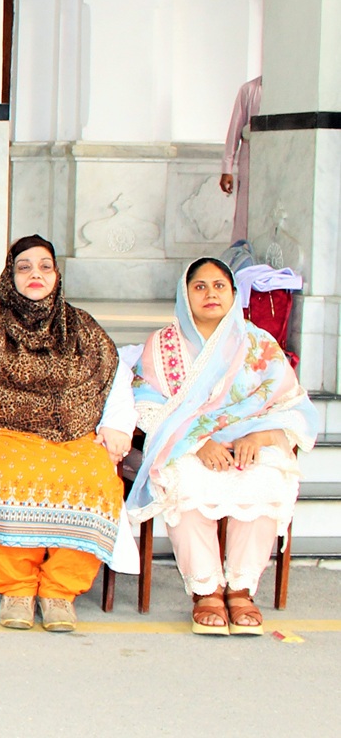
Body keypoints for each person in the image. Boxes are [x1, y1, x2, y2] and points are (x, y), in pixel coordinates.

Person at [0, 235, 137, 632]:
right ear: (10, 275)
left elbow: (116, 381)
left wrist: (117, 424)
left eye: (45, 266)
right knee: (8, 477)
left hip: (76, 435)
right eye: (24, 267)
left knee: (97, 482)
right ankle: (17, 588)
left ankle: (60, 591)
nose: (35, 274)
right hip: (8, 434)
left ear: (57, 275)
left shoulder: (84, 328)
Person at [127, 257, 317, 635]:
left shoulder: (258, 343)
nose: (210, 293)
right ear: (185, 294)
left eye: (219, 286)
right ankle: (206, 590)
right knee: (187, 479)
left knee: (265, 477)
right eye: (200, 286)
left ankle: (242, 589)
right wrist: (198, 442)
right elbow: (146, 405)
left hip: (251, 439)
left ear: (233, 294)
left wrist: (258, 438)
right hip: (190, 444)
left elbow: (294, 404)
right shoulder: (164, 345)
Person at [219, 75, 262, 244]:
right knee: (244, 214)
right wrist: (226, 169)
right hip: (250, 160)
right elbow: (235, 130)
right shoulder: (250, 89)